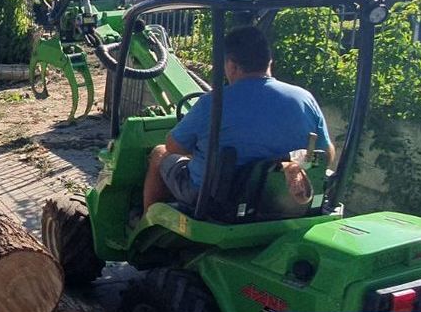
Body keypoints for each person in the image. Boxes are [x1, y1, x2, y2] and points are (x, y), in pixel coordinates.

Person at [143, 25, 336, 213]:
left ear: (231, 65)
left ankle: (146, 221)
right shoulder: (304, 98)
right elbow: (326, 154)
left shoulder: (213, 103)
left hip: (215, 199)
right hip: (284, 199)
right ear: (269, 62)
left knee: (160, 153)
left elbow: (174, 146)